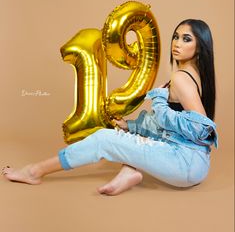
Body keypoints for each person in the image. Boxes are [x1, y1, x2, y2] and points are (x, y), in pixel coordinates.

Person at [2, 19, 218, 195]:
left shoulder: (180, 78)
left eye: (186, 39)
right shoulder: (195, 75)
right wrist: (131, 125)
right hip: (194, 163)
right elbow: (173, 130)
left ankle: (35, 171)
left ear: (200, 47)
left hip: (185, 164)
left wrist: (159, 101)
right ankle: (128, 172)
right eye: (176, 37)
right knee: (130, 137)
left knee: (103, 139)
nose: (177, 43)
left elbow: (200, 129)